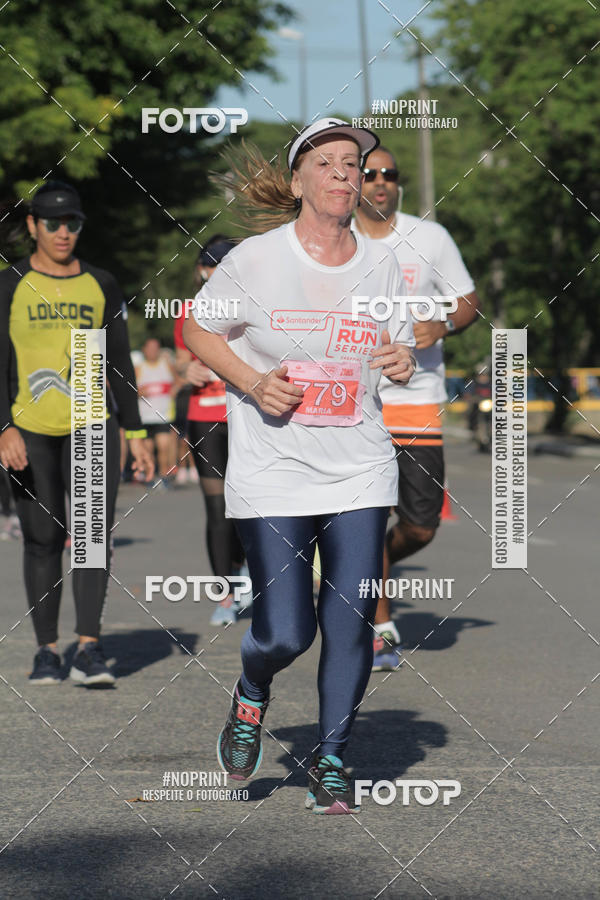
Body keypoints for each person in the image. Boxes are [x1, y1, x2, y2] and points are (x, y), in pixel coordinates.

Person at [183, 118, 416, 814]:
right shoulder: (255, 258)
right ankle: (253, 688)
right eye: (330, 163)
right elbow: (198, 327)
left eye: (355, 163)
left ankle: (333, 758)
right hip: (276, 466)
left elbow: (395, 348)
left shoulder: (384, 262)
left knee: (348, 621)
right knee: (287, 630)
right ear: (298, 181)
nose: (346, 173)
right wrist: (253, 384)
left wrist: (401, 361)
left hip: (360, 466)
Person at [0, 180, 154, 686]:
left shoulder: (101, 283)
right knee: (42, 538)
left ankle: (89, 647)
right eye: (52, 223)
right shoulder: (11, 283)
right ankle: (46, 650)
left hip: (91, 419)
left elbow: (119, 359)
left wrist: (135, 431)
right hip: (29, 426)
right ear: (32, 226)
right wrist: (4, 427)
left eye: (73, 223)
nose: (64, 232)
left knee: (89, 538)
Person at [353, 145, 480, 670]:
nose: (381, 181)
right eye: (370, 174)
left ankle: (362, 564)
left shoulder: (429, 237)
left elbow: (467, 298)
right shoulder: (337, 241)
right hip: (354, 402)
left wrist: (444, 324)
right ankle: (380, 626)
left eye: (390, 174)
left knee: (421, 525)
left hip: (417, 399)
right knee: (363, 517)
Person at [173, 236, 247, 626]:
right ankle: (225, 594)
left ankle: (246, 567)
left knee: (251, 506)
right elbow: (182, 361)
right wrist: (184, 371)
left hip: (248, 417)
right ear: (200, 269)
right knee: (217, 509)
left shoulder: (253, 304)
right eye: (209, 263)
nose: (215, 270)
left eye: (223, 263)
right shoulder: (188, 309)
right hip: (206, 419)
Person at [135, 337, 180, 487]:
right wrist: (139, 392)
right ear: (144, 350)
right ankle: (150, 476)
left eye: (156, 348)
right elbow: (130, 390)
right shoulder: (139, 368)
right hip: (145, 416)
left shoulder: (166, 365)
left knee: (163, 447)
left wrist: (173, 391)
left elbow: (178, 381)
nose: (153, 351)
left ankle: (163, 477)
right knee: (148, 448)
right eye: (150, 348)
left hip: (163, 414)